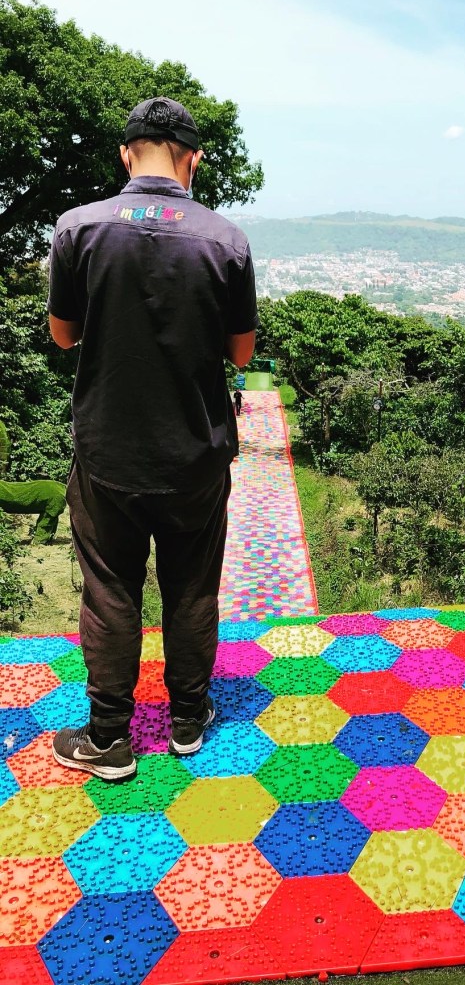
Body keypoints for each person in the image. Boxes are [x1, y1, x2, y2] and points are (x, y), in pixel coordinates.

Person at [47, 97, 257, 782]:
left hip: (107, 451)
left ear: (125, 154)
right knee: (191, 587)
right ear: (194, 159)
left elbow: (63, 334)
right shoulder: (225, 239)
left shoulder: (78, 228)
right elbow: (243, 352)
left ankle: (108, 736)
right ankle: (188, 719)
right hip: (196, 451)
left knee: (110, 589)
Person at [0, 478, 67, 544]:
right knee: (50, 516)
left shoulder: (56, 491)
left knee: (50, 516)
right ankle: (40, 540)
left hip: (48, 491)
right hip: (49, 492)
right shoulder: (57, 492)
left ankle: (43, 539)